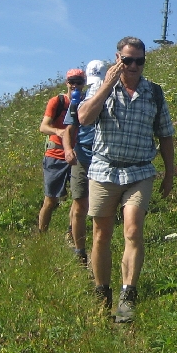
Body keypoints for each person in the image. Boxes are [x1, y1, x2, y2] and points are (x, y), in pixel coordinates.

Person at [77, 38, 174, 322]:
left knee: (132, 230)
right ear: (117, 58)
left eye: (139, 61)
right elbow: (83, 118)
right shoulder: (100, 88)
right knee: (101, 234)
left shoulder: (153, 92)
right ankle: (101, 291)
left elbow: (166, 134)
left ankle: (128, 295)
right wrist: (107, 85)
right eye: (127, 60)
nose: (133, 67)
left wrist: (170, 173)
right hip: (104, 170)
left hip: (139, 171)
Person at [62, 59, 106, 266]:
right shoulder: (78, 99)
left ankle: (98, 247)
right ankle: (79, 250)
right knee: (80, 204)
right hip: (82, 155)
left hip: (103, 157)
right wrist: (69, 150)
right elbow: (69, 129)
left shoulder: (111, 96)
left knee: (99, 208)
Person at [38, 68, 85, 234]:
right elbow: (43, 127)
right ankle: (42, 233)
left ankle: (71, 232)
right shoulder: (57, 102)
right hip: (55, 155)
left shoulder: (85, 102)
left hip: (77, 155)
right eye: (72, 82)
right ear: (67, 83)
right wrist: (58, 131)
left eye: (79, 82)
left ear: (84, 83)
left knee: (78, 198)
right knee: (50, 200)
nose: (75, 85)